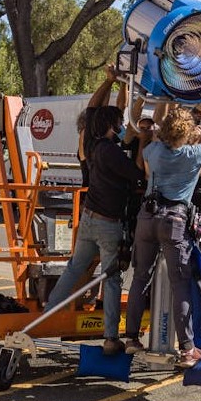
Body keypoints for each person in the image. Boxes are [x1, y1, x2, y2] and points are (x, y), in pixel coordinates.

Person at [123, 100, 201, 368]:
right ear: (186, 133)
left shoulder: (153, 151)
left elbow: (147, 172)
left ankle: (131, 337)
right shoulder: (193, 155)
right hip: (175, 220)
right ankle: (188, 349)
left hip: (147, 216)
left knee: (140, 277)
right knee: (180, 283)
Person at [44, 104, 144, 356]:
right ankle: (111, 337)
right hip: (107, 223)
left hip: (89, 217)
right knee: (111, 279)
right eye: (120, 123)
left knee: (75, 267)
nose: (122, 127)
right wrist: (143, 141)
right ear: (111, 126)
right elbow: (137, 174)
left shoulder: (93, 147)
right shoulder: (111, 152)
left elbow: (91, 112)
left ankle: (47, 315)